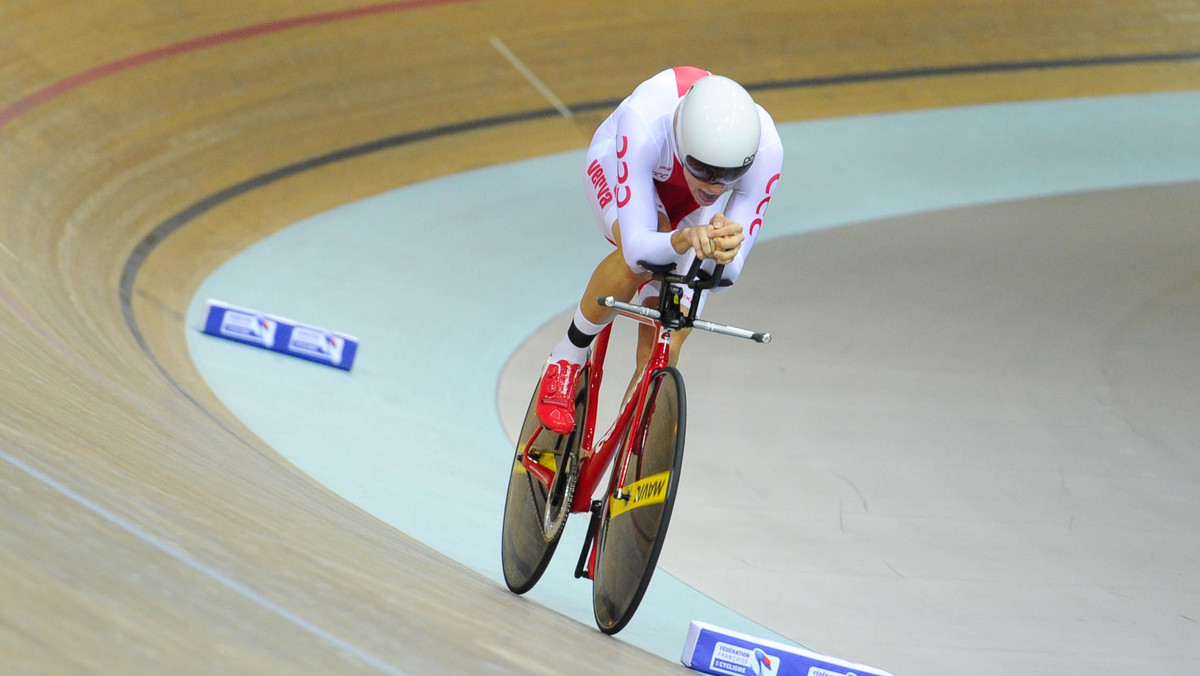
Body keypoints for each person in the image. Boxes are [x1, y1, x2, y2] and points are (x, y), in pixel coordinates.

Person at [536, 66, 784, 434]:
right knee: (642, 262)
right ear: (682, 143)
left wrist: (725, 251)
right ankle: (567, 357)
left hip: (690, 212)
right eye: (702, 168)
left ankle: (626, 445)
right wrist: (682, 241)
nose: (715, 187)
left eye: (729, 175)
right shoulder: (646, 118)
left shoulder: (766, 151)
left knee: (671, 330)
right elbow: (638, 249)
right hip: (623, 167)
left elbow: (724, 276)